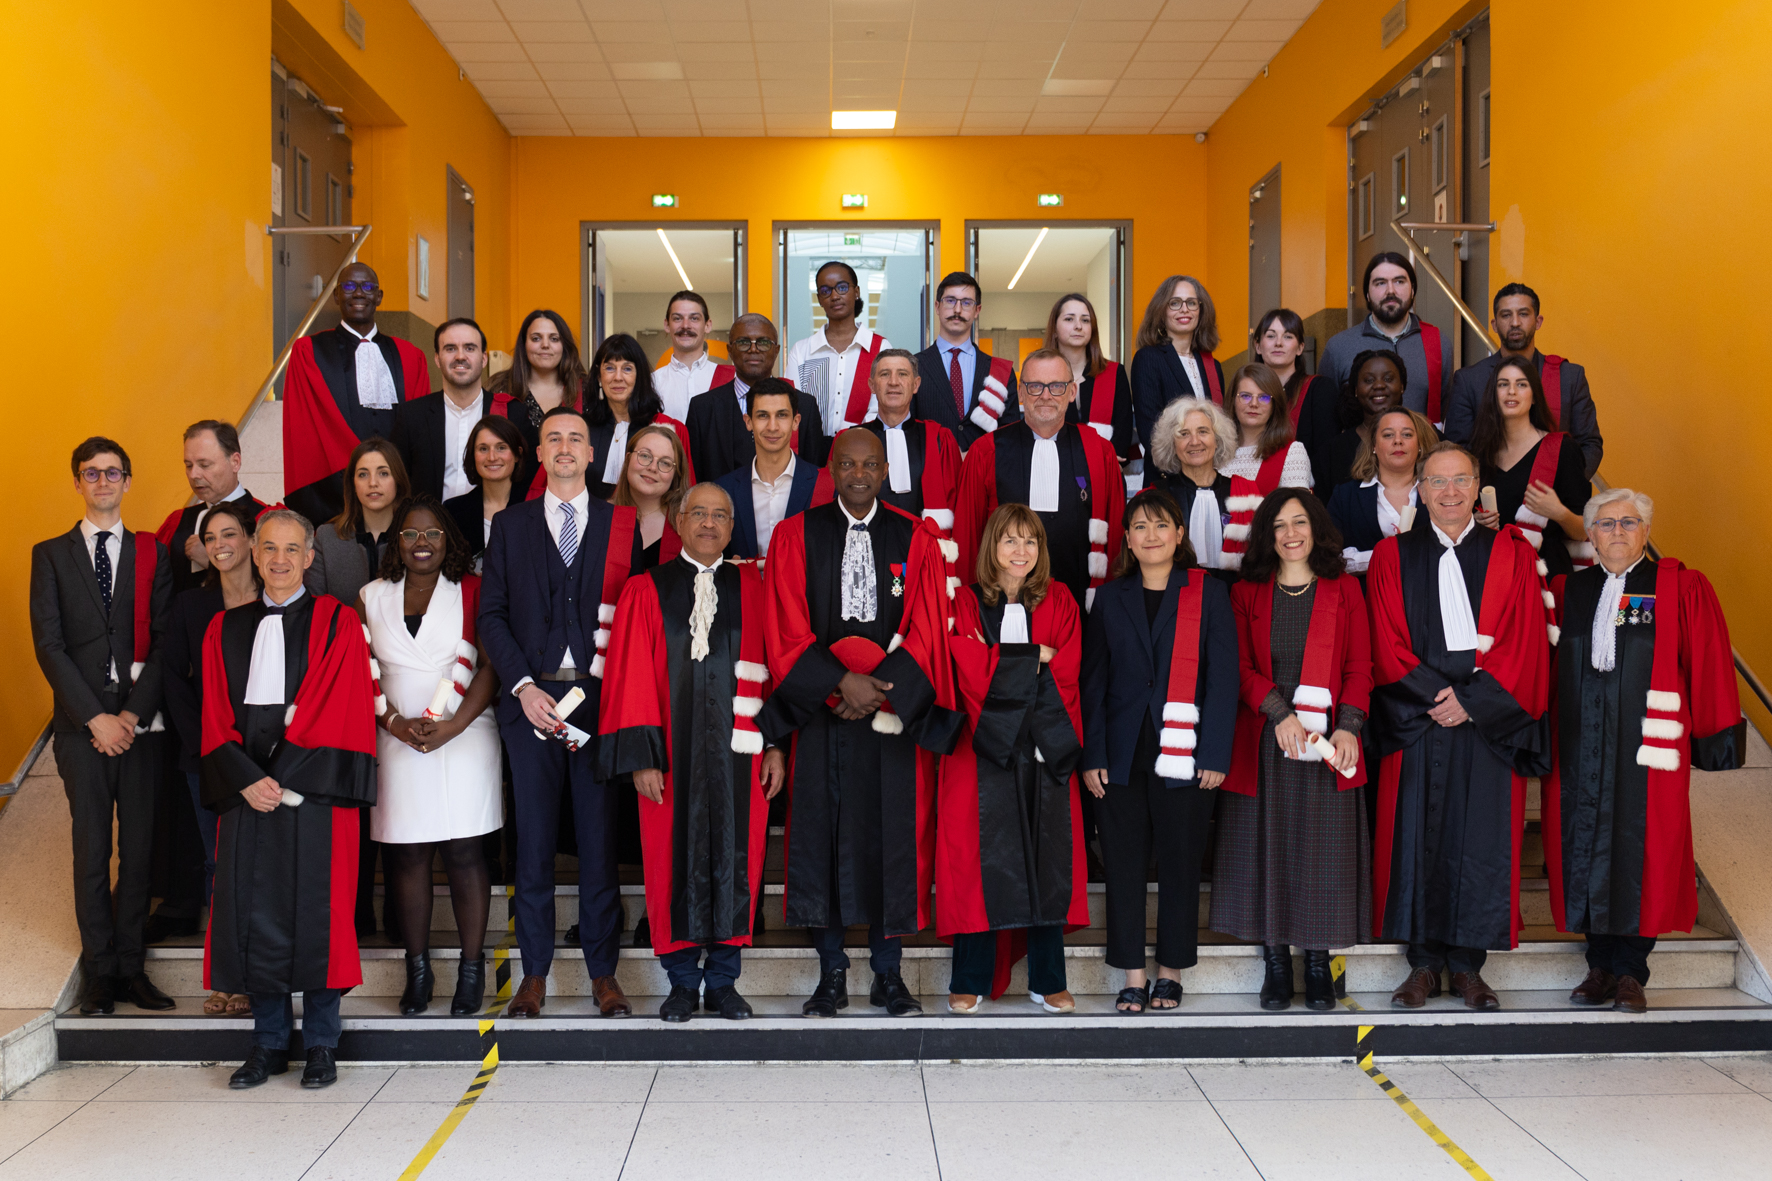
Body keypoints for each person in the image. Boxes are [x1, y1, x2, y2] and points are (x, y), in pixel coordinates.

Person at [758, 428, 952, 1019]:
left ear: (886, 470)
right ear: (832, 470)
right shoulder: (795, 535)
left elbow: (928, 627)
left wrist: (875, 689)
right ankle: (832, 973)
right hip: (820, 716)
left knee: (892, 840)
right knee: (823, 840)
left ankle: (888, 973)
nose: (859, 474)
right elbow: (785, 625)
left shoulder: (916, 537)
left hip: (889, 717)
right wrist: (838, 684)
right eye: (848, 464)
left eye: (870, 464)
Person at [1544, 488, 1745, 1014]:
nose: (1617, 531)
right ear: (1590, 535)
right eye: (1605, 523)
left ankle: (1632, 971)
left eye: (1629, 522)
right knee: (1583, 846)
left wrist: (1715, 736)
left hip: (1649, 749)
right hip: (1580, 745)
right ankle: (1599, 966)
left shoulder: (1678, 588)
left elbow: (1706, 658)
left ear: (1647, 532)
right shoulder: (1569, 590)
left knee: (1645, 848)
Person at [1367, 443, 1551, 1011]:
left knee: (1482, 841)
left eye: (1460, 481)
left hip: (1486, 725)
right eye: (1437, 482)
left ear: (1477, 489)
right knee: (1414, 839)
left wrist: (1472, 702)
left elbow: (1525, 640)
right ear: (1419, 490)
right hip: (1417, 721)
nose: (1449, 492)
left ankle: (1469, 967)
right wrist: (1436, 698)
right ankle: (1423, 965)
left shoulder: (1512, 555)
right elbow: (1384, 640)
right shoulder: (1390, 556)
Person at [600, 483, 790, 1021]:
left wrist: (774, 746)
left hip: (740, 754)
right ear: (679, 522)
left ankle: (724, 982)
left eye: (720, 515)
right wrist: (642, 755)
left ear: (732, 527)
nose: (709, 523)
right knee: (669, 858)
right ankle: (682, 983)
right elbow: (632, 674)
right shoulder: (646, 589)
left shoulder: (754, 588)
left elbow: (774, 670)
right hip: (670, 755)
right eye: (698, 513)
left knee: (739, 855)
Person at [201, 509, 377, 1090]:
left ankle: (322, 1042)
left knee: (321, 917)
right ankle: (269, 1043)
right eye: (270, 548)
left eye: (292, 549)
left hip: (316, 793)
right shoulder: (224, 628)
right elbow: (214, 714)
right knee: (255, 915)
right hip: (248, 795)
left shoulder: (336, 622)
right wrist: (246, 779)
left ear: (309, 557)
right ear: (254, 553)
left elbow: (338, 706)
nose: (280, 560)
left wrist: (278, 776)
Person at [479, 404, 645, 1020]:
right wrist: (523, 687)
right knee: (534, 844)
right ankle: (534, 975)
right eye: (555, 438)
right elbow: (491, 615)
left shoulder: (621, 523)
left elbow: (637, 616)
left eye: (577, 438)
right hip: (533, 704)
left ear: (593, 453)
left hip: (599, 704)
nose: (567, 447)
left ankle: (604, 974)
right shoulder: (510, 525)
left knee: (599, 843)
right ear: (540, 453)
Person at [30, 437, 175, 1016]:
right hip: (80, 727)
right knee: (91, 851)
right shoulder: (50, 554)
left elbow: (165, 641)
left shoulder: (151, 553)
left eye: (113, 472)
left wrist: (130, 715)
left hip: (140, 724)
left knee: (138, 852)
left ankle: (131, 968)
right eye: (91, 473)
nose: (103, 481)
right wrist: (95, 717)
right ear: (77, 482)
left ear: (127, 481)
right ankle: (99, 975)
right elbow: (49, 645)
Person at [1212, 490, 1372, 1011]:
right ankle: (1276, 963)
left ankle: (1318, 963)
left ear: (1316, 528)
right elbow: (1238, 667)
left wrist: (1349, 727)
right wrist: (1279, 714)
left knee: (1322, 853)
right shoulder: (1246, 592)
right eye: (1279, 525)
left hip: (1328, 741)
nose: (1290, 534)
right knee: (1269, 850)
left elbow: (1360, 667)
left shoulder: (1345, 590)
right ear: (1266, 534)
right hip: (1266, 737)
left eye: (1299, 522)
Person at [1080, 489, 1237, 1013]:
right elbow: (1093, 683)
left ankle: (1169, 972)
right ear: (1126, 539)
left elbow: (1223, 679)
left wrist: (1215, 752)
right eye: (1140, 527)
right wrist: (1093, 754)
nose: (1151, 535)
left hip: (1186, 752)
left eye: (1161, 525)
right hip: (1120, 753)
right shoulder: (1109, 598)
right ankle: (1132, 973)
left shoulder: (1208, 593)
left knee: (1180, 862)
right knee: (1123, 865)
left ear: (1180, 534)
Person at [937, 505, 1088, 1014]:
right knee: (977, 862)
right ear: (991, 547)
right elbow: (966, 666)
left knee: (1048, 857)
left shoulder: (1060, 600)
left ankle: (1048, 979)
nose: (1021, 551)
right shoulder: (964, 601)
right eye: (1009, 541)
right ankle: (970, 977)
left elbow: (1068, 667)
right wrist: (1033, 656)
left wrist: (1004, 659)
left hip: (1046, 746)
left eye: (1030, 541)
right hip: (982, 747)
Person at [359, 496, 502, 1017]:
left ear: (449, 540)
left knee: (464, 851)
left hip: (465, 733)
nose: (422, 543)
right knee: (407, 855)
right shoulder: (370, 596)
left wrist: (454, 726)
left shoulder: (473, 590)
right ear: (396, 542)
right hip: (395, 735)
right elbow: (364, 671)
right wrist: (394, 723)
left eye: (433, 534)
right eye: (411, 534)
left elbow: (491, 665)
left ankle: (471, 969)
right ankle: (416, 971)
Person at [159, 499, 262, 1017]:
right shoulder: (190, 606)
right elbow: (175, 683)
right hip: (207, 759)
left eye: (230, 534)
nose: (220, 545)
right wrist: (209, 746)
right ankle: (226, 977)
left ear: (250, 541)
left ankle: (259, 976)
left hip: (267, 761)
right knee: (219, 866)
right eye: (211, 537)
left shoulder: (277, 600)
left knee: (261, 868)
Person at [956, 350, 1124, 612]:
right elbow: (968, 540)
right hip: (1000, 607)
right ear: (1021, 393)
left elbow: (1115, 539)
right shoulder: (986, 452)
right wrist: (969, 609)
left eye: (1056, 386)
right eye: (1035, 386)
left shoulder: (1100, 452)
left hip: (1082, 605)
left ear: (1072, 392)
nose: (1046, 395)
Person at [281, 263, 430, 523]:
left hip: (397, 493)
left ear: (379, 297)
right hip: (335, 492)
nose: (359, 293)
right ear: (336, 295)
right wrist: (360, 474)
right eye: (349, 286)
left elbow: (419, 431)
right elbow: (305, 428)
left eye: (367, 287)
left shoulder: (410, 356)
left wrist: (391, 476)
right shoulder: (309, 352)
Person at [1444, 283, 1603, 479]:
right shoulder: (1469, 380)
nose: (1515, 323)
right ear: (1494, 325)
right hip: (1490, 492)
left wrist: (1565, 486)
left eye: (1523, 314)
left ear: (1538, 321)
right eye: (1506, 315)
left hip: (1554, 493)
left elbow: (1589, 444)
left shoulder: (1568, 376)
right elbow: (1457, 450)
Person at [1470, 359, 1593, 580]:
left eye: (1521, 384)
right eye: (1503, 384)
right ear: (1493, 395)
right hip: (1494, 574)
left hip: (1546, 577)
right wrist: (1475, 523)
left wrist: (1559, 512)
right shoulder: (1479, 454)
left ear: (1534, 396)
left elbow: (1584, 531)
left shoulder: (1562, 450)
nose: (1511, 391)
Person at [1318, 253, 1455, 425]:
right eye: (1380, 283)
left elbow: (1445, 411)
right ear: (1367, 294)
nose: (1390, 291)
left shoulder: (1438, 343)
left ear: (1413, 290)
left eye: (1399, 281)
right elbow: (1325, 417)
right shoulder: (1338, 347)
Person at [687, 312, 827, 481]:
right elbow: (694, 479)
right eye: (743, 342)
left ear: (776, 351)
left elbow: (815, 477)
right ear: (730, 350)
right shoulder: (702, 408)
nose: (753, 349)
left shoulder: (805, 405)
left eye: (763, 343)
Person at [153, 421, 268, 597]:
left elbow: (281, 587)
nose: (194, 475)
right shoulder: (177, 522)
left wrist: (213, 560)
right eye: (188, 465)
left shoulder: (267, 520)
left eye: (204, 465)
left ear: (235, 462)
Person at [1218, 363, 1313, 572]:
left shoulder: (1292, 452)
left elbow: (1296, 520)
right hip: (1218, 565)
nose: (1254, 404)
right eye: (1245, 396)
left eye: (1264, 397)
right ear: (1232, 400)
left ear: (1275, 404)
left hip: (1268, 566)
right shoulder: (1216, 453)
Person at [713, 378, 822, 561]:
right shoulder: (723, 489)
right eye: (763, 415)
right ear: (748, 422)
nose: (772, 427)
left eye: (782, 415)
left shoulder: (823, 485)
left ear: (796, 422)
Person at [910, 271, 1020, 451]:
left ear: (977, 310)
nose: (957, 310)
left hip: (984, 468)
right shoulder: (913, 366)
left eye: (967, 303)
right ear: (937, 307)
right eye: (950, 301)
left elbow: (1010, 436)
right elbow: (909, 432)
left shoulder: (1000, 372)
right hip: (931, 466)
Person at [851, 348, 961, 526]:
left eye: (902, 374)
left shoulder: (940, 439)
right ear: (872, 385)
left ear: (916, 385)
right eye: (885, 374)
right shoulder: (851, 440)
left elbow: (958, 503)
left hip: (924, 541)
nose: (893, 382)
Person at [488, 309, 592, 498]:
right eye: (536, 338)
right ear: (524, 345)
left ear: (564, 345)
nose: (545, 345)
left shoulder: (585, 390)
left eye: (554, 339)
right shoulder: (500, 387)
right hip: (511, 500)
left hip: (573, 500)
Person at [1326, 408, 1437, 576]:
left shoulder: (1439, 492)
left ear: (1420, 445)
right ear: (1374, 446)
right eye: (1388, 435)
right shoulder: (1345, 496)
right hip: (1365, 591)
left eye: (1407, 434)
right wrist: (1384, 556)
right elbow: (1330, 557)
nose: (1398, 441)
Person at [390, 317, 491, 503]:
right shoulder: (411, 416)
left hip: (492, 520)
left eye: (469, 348)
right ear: (437, 358)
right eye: (450, 348)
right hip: (430, 519)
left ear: (484, 358)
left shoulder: (509, 413)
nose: (460, 356)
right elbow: (397, 481)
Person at [786, 261, 892, 436]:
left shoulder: (880, 348)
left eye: (842, 288)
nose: (834, 296)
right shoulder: (802, 351)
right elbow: (791, 405)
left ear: (856, 292)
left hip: (864, 443)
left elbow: (884, 405)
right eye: (825, 291)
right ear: (819, 299)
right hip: (811, 446)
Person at [585, 332, 694, 500]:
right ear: (599, 376)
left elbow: (684, 496)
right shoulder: (581, 429)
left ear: (639, 376)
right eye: (610, 368)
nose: (618, 377)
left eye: (627, 369)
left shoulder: (669, 429)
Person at [1130, 274, 1225, 460]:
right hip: (1167, 470)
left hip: (1209, 470)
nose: (1184, 309)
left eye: (1191, 303)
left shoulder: (1213, 366)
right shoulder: (1147, 358)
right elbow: (1150, 431)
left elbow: (1220, 428)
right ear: (1161, 310)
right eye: (1175, 303)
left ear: (1201, 310)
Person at [1144, 398, 1238, 574]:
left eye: (1203, 431)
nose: (1194, 441)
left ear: (1217, 440)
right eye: (1184, 434)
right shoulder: (1156, 496)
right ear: (1172, 444)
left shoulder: (1242, 493)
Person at [1254, 309, 1340, 492]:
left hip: (1305, 494)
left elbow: (1326, 459)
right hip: (1253, 492)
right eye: (1271, 336)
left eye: (1288, 336)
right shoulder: (1246, 394)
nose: (1278, 343)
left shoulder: (1319, 389)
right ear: (1258, 346)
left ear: (1300, 347)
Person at [1049, 293, 1136, 464]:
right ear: (1054, 329)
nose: (1078, 326)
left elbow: (1123, 431)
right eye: (1069, 319)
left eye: (1085, 320)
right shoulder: (1042, 376)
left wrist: (1105, 463)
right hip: (1056, 469)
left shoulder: (1114, 373)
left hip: (1106, 471)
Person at [443, 414, 525, 568]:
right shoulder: (452, 511)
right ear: (473, 456)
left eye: (501, 448)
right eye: (483, 449)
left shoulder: (535, 506)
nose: (492, 457)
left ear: (517, 455)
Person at [1323, 349, 1408, 493]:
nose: (1379, 385)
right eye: (1369, 380)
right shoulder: (1333, 452)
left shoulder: (1428, 438)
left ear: (1402, 386)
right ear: (1356, 390)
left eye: (1388, 379)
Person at [612, 424, 691, 571]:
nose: (652, 468)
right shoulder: (598, 517)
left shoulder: (688, 528)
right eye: (644, 456)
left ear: (676, 474)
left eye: (665, 463)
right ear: (628, 459)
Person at [652, 290, 732, 422]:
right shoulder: (653, 383)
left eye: (694, 318)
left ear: (707, 325)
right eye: (677, 318)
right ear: (667, 325)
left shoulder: (731, 379)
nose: (685, 326)